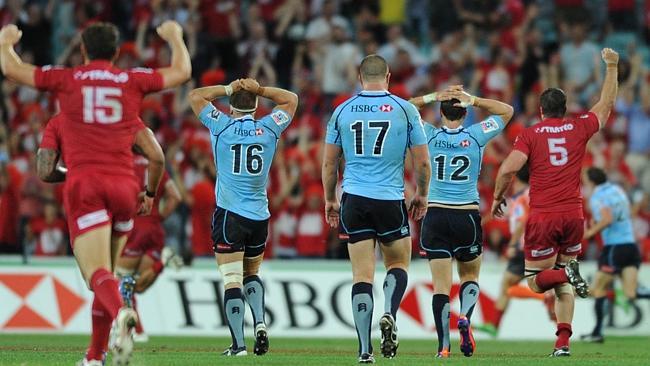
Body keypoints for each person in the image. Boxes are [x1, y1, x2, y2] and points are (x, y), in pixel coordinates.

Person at [1, 20, 191, 365]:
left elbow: (13, 70)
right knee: (109, 274)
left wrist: (6, 41)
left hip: (86, 185)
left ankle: (123, 314)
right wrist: (175, 36)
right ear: (117, 53)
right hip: (126, 189)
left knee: (96, 275)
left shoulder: (67, 81)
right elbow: (180, 74)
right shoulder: (131, 82)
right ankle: (94, 356)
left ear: (83, 50)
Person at [491, 48, 619, 357]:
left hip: (544, 216)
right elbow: (606, 105)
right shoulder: (578, 127)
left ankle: (566, 274)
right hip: (574, 216)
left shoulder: (531, 134)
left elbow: (509, 167)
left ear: (541, 110)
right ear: (564, 109)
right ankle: (562, 343)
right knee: (564, 282)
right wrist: (612, 67)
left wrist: (497, 197)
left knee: (536, 281)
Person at [322, 54, 431, 363]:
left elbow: (330, 163)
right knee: (397, 264)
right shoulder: (405, 109)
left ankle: (364, 350)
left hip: (354, 198)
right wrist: (422, 194)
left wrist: (330, 199)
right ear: (388, 76)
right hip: (389, 198)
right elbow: (422, 161)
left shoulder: (341, 110)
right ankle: (388, 312)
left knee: (362, 275)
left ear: (359, 78)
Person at [188, 77, 298, 356]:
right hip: (259, 216)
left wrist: (229, 88)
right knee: (252, 274)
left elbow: (195, 96)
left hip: (230, 214)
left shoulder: (221, 125)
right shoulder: (269, 128)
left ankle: (238, 345)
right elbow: (291, 99)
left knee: (232, 279)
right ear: (258, 105)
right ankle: (260, 322)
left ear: (230, 105)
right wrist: (259, 88)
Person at [409, 85, 514, 358]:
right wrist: (474, 100)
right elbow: (507, 111)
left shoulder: (428, 134)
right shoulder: (476, 134)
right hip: (466, 214)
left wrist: (434, 95)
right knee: (470, 276)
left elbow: (407, 107)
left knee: (441, 286)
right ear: (465, 114)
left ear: (440, 112)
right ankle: (465, 316)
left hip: (435, 214)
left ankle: (444, 346)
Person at [115, 149, 183, 343]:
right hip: (154, 229)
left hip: (134, 227)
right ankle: (162, 261)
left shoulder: (125, 163)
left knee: (123, 281)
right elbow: (176, 197)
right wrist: (158, 218)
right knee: (137, 286)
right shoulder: (157, 166)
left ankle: (134, 330)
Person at [580, 167, 642, 343]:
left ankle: (597, 333)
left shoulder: (597, 197)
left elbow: (608, 219)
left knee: (598, 288)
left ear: (591, 181)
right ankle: (597, 332)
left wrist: (590, 232)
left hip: (614, 247)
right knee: (630, 293)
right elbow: (625, 212)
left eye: (584, 178)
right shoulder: (617, 190)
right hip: (630, 245)